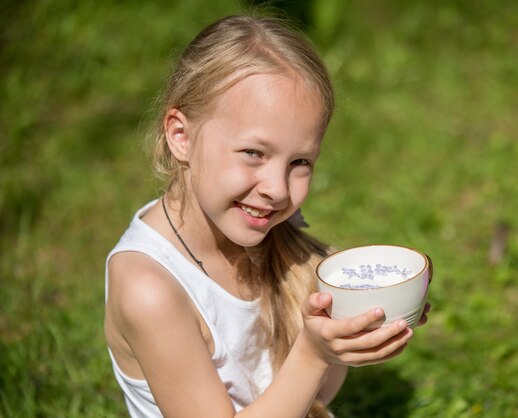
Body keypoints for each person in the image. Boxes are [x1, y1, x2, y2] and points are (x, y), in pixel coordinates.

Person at [104, 14, 430, 418]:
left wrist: (347, 334)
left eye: (300, 161)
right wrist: (312, 354)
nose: (277, 188)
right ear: (181, 137)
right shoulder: (149, 288)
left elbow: (314, 397)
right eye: (254, 153)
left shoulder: (262, 237)